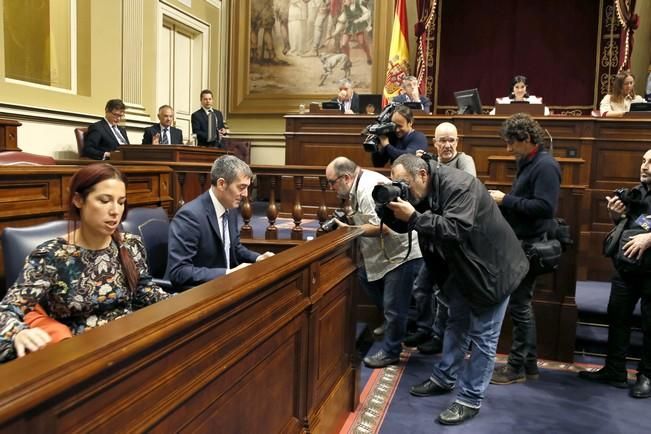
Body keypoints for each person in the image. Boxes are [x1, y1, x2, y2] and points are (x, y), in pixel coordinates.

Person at [386, 153, 528, 425]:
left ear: (423, 175)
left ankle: (470, 399)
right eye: (397, 184)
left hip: (494, 269)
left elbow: (455, 228)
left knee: (483, 335)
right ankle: (444, 377)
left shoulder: (460, 185)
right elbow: (413, 224)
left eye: (404, 183)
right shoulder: (422, 190)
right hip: (464, 268)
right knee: (456, 323)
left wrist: (414, 217)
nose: (403, 189)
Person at [0, 164, 171, 362]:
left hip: (131, 343)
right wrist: (19, 333)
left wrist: (181, 303)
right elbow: (7, 309)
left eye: (121, 202)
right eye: (104, 201)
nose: (115, 211)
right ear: (78, 200)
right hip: (80, 356)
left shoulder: (130, 244)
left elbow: (145, 292)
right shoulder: (52, 255)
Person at [325, 156, 422, 369]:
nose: (330, 187)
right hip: (385, 253)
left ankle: (391, 351)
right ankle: (402, 323)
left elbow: (383, 228)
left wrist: (349, 230)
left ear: (346, 177)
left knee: (394, 306)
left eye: (332, 182)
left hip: (401, 253)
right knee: (365, 278)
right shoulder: (358, 184)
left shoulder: (368, 189)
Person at [487, 113, 561, 385]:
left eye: (511, 143)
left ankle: (516, 368)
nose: (508, 149)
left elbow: (545, 208)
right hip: (521, 243)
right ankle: (529, 366)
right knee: (521, 305)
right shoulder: (528, 162)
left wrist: (506, 200)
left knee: (520, 306)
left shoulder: (545, 166)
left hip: (530, 245)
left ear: (527, 139)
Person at [578, 148, 651, 399]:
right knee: (617, 317)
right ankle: (615, 370)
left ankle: (646, 376)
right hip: (627, 267)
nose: (645, 166)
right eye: (643, 160)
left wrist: (650, 238)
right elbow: (626, 226)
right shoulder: (637, 192)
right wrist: (615, 216)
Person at [406, 122, 477, 354]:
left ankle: (438, 335)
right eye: (442, 140)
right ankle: (425, 327)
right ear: (434, 142)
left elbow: (467, 186)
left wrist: (431, 164)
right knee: (421, 286)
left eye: (451, 140)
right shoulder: (430, 164)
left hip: (452, 239)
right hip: (433, 237)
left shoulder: (463, 160)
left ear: (457, 142)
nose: (447, 145)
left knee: (443, 293)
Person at [168, 155, 274, 289]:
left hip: (225, 287)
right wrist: (227, 274)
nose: (246, 194)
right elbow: (179, 272)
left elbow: (235, 248)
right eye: (241, 187)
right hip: (200, 293)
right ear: (221, 184)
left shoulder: (229, 208)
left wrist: (258, 258)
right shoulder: (190, 216)